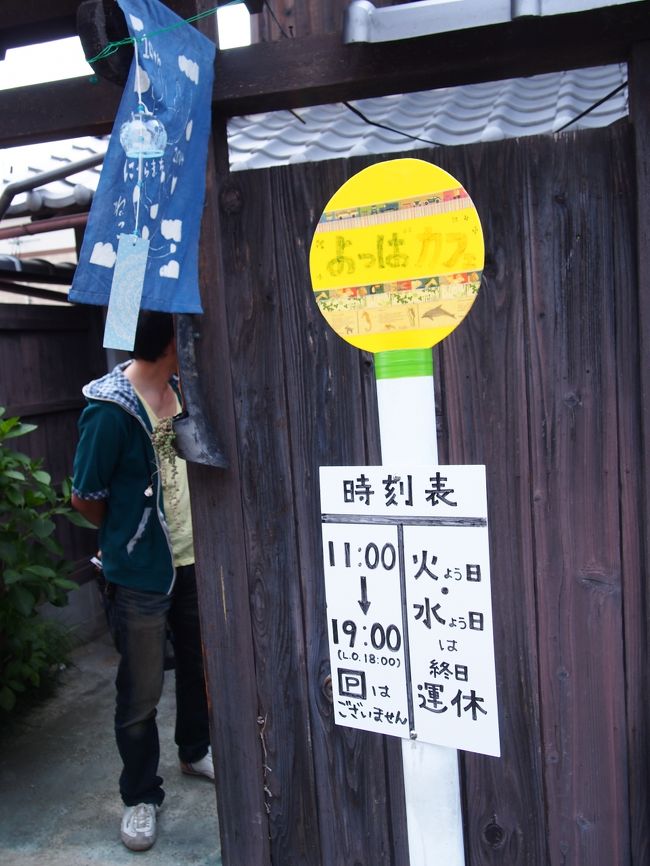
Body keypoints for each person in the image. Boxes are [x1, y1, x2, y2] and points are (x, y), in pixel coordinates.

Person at [71, 311, 213, 852]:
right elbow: (85, 495)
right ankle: (140, 796)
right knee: (141, 690)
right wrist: (128, 539)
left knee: (201, 669)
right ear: (173, 339)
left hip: (193, 558)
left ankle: (194, 750)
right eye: (188, 330)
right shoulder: (109, 412)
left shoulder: (182, 388)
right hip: (139, 574)